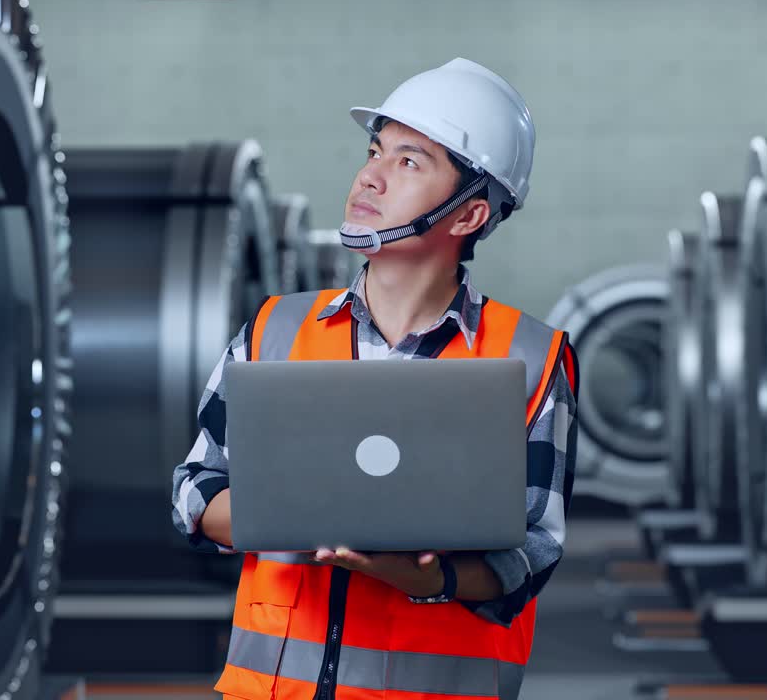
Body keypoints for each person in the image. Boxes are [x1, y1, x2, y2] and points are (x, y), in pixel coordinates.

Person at [172, 58, 579, 700]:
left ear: (469, 216)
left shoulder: (530, 357)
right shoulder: (276, 329)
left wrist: (429, 579)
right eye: (375, 151)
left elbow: (533, 550)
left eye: (409, 162)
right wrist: (297, 517)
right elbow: (195, 489)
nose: (370, 176)